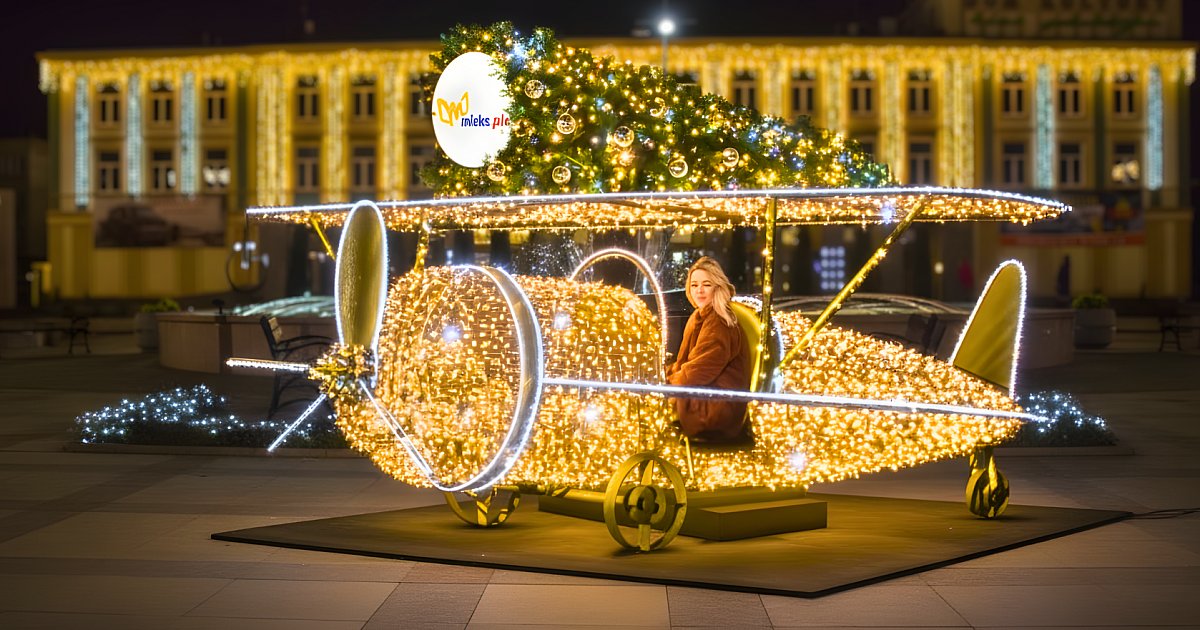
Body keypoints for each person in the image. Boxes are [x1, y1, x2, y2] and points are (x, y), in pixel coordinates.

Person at [666, 256, 751, 442]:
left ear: (717, 287)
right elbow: (684, 365)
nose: (699, 290)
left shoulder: (719, 321)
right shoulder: (699, 316)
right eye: (694, 285)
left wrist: (666, 384)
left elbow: (698, 371)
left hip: (715, 409)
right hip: (704, 397)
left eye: (706, 284)